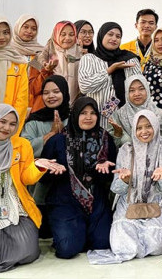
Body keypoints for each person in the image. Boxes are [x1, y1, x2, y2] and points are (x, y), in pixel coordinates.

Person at [87, 110, 162, 264]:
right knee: (120, 244)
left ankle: (136, 247)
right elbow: (116, 189)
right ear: (133, 130)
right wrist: (125, 181)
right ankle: (134, 246)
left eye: (148, 126)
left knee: (156, 245)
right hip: (128, 205)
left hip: (157, 205)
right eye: (139, 128)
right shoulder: (126, 150)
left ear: (155, 126)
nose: (144, 131)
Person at [0, 104, 65, 273]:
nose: (7, 128)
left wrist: (37, 166)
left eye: (12, 124)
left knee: (29, 252)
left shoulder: (21, 145)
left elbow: (26, 178)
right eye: (2, 122)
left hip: (14, 202)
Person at [41, 97, 117, 258]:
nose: (88, 117)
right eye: (83, 113)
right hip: (65, 201)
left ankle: (83, 232)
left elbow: (113, 174)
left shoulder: (105, 139)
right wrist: (54, 172)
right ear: (75, 114)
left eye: (92, 113)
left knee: (103, 244)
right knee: (67, 248)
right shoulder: (57, 140)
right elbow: (42, 178)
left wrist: (104, 170)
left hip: (97, 201)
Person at [78, 22, 141, 123]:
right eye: (110, 34)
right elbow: (84, 86)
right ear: (102, 35)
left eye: (118, 36)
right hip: (98, 119)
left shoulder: (130, 59)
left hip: (129, 117)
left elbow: (141, 88)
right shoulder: (89, 59)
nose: (114, 38)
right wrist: (109, 70)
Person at [0, 15, 29, 133]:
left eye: (6, 32)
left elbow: (22, 101)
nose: (1, 37)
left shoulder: (19, 63)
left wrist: (11, 128)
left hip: (8, 129)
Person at [107, 76, 162, 148]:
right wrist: (117, 135)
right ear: (126, 93)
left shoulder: (160, 115)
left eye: (141, 89)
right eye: (132, 90)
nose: (137, 94)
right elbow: (109, 148)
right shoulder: (117, 117)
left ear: (147, 90)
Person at [29, 21, 82, 110]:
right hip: (47, 109)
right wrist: (46, 71)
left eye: (71, 34)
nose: (67, 38)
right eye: (63, 34)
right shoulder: (40, 59)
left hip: (74, 110)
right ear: (56, 35)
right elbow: (32, 89)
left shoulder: (82, 57)